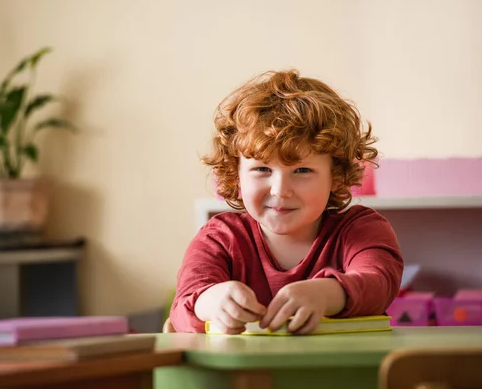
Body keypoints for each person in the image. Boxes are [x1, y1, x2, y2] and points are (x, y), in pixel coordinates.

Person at [168, 69, 404, 335]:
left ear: (336, 176)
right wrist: (212, 301)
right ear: (236, 175)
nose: (281, 191)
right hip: (245, 374)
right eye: (262, 170)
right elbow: (183, 307)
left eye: (302, 171)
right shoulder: (220, 238)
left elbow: (379, 282)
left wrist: (326, 294)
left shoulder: (361, 229)